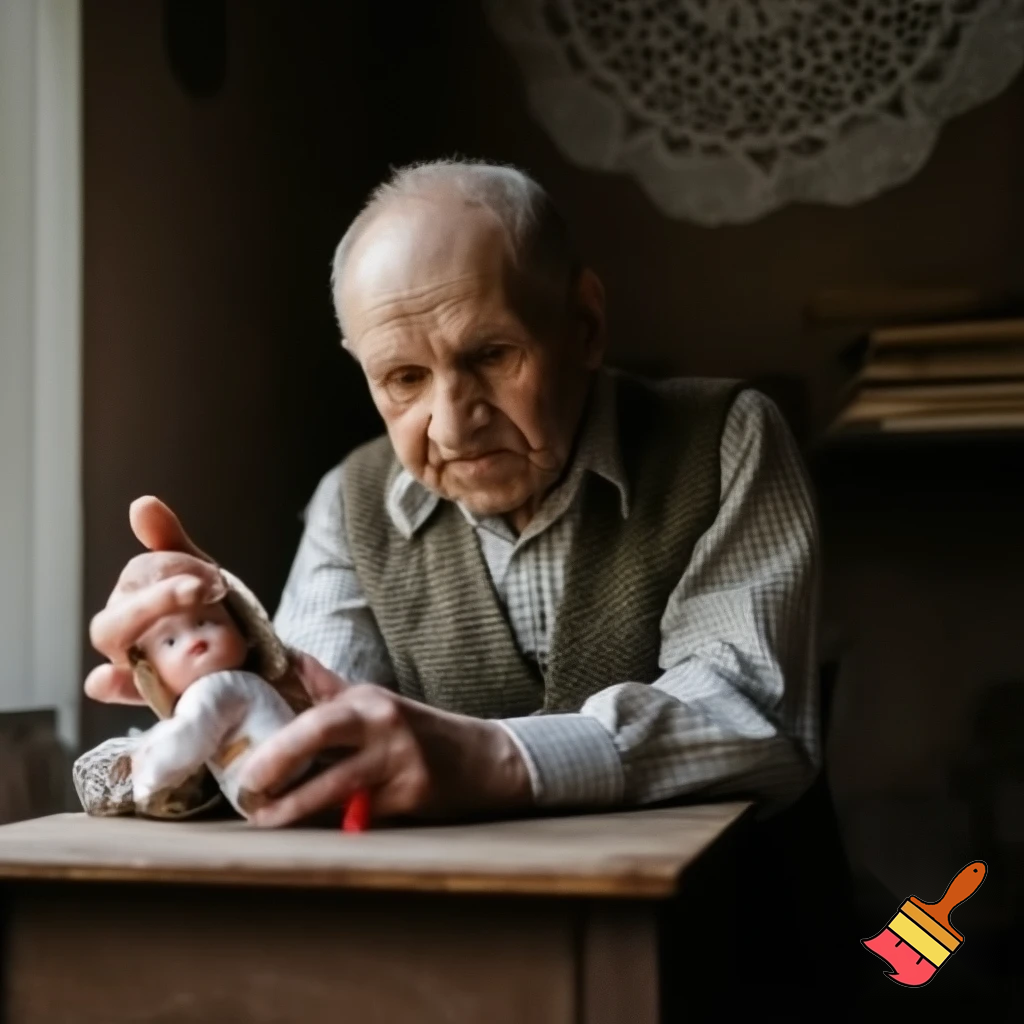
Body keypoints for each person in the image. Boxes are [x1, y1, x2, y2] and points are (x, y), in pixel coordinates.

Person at [84, 159, 820, 829]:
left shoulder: (724, 439)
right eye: (403, 379)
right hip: (472, 947)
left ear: (585, 324)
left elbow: (749, 714)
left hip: (726, 941)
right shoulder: (352, 500)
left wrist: (497, 759)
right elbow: (303, 728)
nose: (452, 423)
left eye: (493, 356)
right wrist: (212, 664)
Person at [128, 601, 307, 818]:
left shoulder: (219, 685)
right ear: (154, 675)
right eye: (171, 641)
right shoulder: (240, 684)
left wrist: (147, 779)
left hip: (281, 775)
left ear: (243, 633)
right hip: (277, 784)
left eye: (204, 622)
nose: (195, 640)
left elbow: (187, 738)